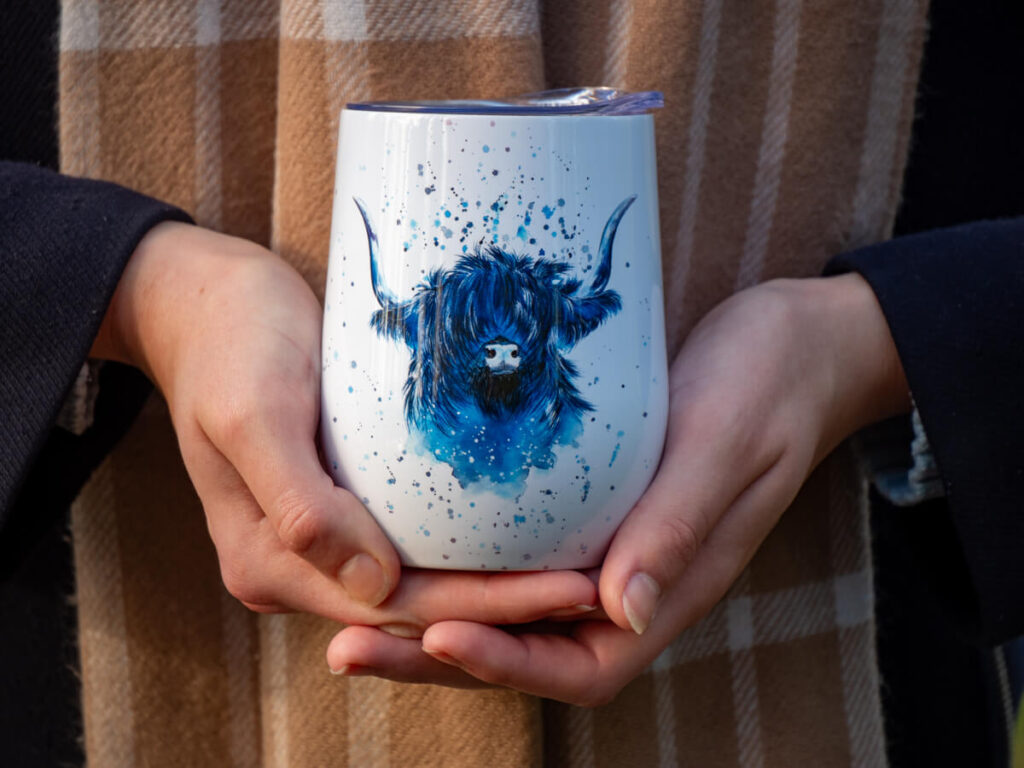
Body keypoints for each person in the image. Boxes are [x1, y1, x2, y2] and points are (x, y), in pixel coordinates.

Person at [2, 1, 1022, 766]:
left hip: (864, 603)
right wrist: (130, 291)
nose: (498, 349)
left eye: (517, 334)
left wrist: (878, 339)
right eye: (470, 333)